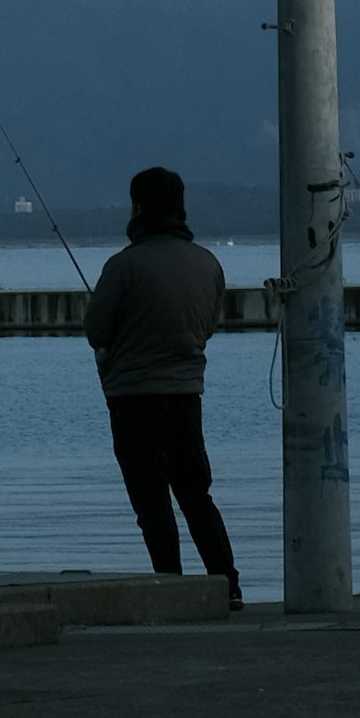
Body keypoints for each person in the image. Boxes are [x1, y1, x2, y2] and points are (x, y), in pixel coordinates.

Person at [82, 164, 244, 598]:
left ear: (137, 206)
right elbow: (207, 327)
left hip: (134, 399)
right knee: (196, 495)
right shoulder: (208, 264)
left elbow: (97, 331)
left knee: (152, 502)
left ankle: (173, 588)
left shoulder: (123, 266)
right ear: (181, 208)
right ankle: (227, 585)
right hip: (188, 396)